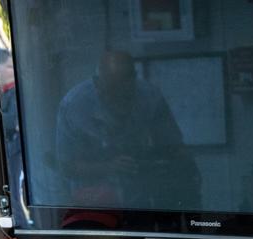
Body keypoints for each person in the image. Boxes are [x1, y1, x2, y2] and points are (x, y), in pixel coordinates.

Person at [53, 50, 201, 209]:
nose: (118, 99)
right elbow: (65, 167)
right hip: (94, 201)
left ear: (134, 79)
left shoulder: (150, 97)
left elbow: (173, 147)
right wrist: (108, 167)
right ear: (97, 81)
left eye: (125, 93)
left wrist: (185, 172)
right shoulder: (74, 107)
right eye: (111, 91)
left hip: (141, 197)